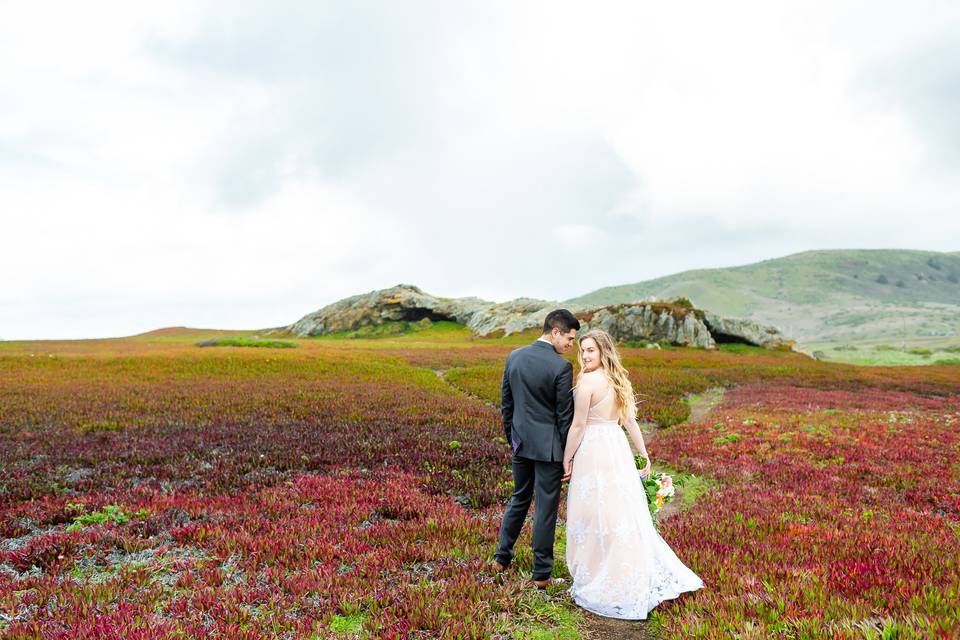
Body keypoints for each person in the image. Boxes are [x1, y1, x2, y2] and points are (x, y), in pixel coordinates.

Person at [562, 329, 704, 619]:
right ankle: (619, 565)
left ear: (603, 351)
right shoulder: (617, 381)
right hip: (615, 448)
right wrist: (642, 454)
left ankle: (599, 570)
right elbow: (629, 423)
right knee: (617, 510)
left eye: (591, 350)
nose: (586, 356)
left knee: (593, 511)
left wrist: (566, 459)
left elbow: (578, 427)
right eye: (583, 350)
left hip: (593, 449)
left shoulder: (587, 381)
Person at [493, 309, 580, 587]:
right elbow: (564, 417)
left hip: (521, 443)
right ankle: (541, 574)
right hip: (550, 450)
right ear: (555, 332)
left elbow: (507, 405)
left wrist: (514, 440)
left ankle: (500, 558)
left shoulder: (514, 356)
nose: (571, 345)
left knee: (519, 498)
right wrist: (569, 456)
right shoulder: (561, 367)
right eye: (569, 338)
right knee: (545, 509)